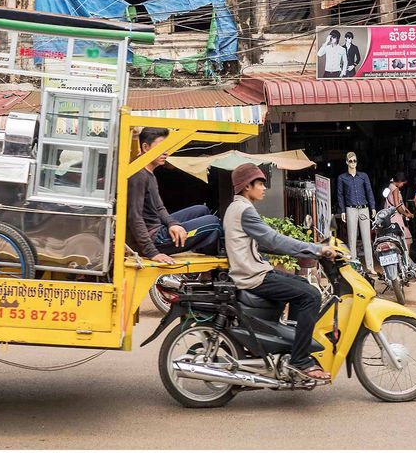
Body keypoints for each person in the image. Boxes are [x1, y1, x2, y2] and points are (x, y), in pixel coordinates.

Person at [223, 163, 336, 382]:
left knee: (303, 287)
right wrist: (316, 248)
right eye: (260, 184)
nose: (264, 188)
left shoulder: (236, 208)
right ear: (248, 186)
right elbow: (274, 239)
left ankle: (292, 346)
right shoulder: (244, 210)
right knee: (311, 295)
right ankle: (300, 360)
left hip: (253, 271)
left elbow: (260, 243)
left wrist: (304, 251)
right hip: (253, 276)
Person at [125, 127, 222, 264]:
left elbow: (159, 208)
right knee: (213, 222)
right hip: (153, 239)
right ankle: (209, 271)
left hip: (158, 227)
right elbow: (134, 217)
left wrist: (172, 224)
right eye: (161, 147)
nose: (166, 152)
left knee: (202, 209)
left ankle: (203, 267)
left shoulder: (149, 173)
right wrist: (153, 253)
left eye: (167, 147)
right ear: (146, 147)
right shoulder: (138, 175)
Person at [336, 151, 376, 272]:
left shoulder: (363, 176)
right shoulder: (342, 178)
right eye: (351, 161)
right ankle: (353, 267)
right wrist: (342, 210)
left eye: (355, 161)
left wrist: (373, 207)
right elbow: (340, 195)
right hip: (350, 208)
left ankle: (370, 267)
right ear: (347, 162)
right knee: (352, 238)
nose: (353, 163)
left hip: (364, 208)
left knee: (366, 238)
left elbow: (369, 191)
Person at [383, 172, 413, 246]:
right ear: (399, 181)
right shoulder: (395, 189)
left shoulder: (389, 186)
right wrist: (406, 214)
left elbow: (400, 203)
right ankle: (406, 257)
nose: (402, 185)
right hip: (396, 216)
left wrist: (407, 211)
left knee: (394, 237)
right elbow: (397, 205)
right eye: (403, 183)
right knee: (407, 237)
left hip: (390, 216)